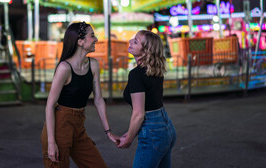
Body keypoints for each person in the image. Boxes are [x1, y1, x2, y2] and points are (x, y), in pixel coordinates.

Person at [41, 21, 119, 167]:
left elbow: (98, 100)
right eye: (92, 36)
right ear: (80, 41)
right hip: (60, 127)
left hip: (78, 126)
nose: (96, 39)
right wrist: (51, 142)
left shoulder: (93, 64)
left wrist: (108, 132)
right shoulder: (65, 68)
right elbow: (50, 106)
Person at [117, 30, 177, 168]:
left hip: (153, 132)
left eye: (136, 41)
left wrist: (130, 138)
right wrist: (132, 131)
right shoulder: (156, 70)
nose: (130, 41)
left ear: (145, 51)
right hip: (166, 126)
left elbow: (139, 114)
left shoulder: (136, 74)